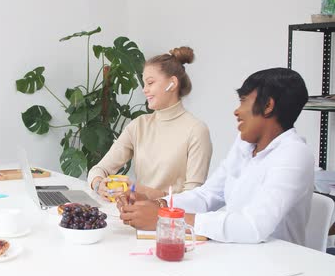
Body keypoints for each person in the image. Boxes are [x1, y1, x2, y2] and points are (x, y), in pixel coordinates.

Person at [118, 67, 313, 245]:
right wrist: (157, 204)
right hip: (237, 254)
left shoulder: (294, 154)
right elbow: (207, 196)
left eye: (244, 101)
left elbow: (253, 227)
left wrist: (167, 217)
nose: (237, 111)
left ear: (268, 106)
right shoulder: (245, 144)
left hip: (279, 265)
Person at [87, 47, 213, 201]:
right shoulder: (139, 125)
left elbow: (193, 199)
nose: (144, 89)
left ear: (172, 83)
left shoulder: (196, 130)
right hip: (134, 217)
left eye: (150, 83)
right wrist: (98, 184)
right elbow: (99, 169)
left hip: (170, 222)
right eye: (144, 83)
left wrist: (140, 191)